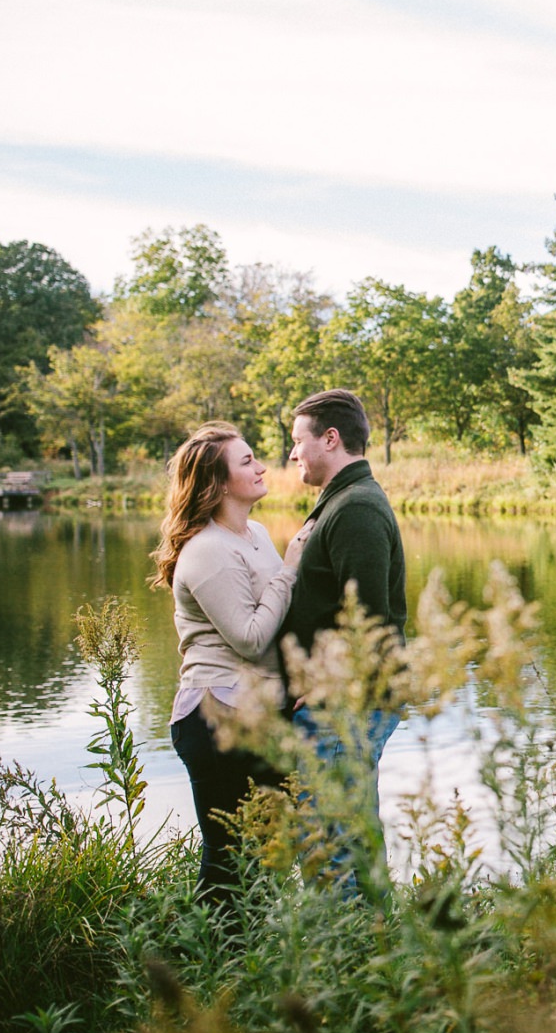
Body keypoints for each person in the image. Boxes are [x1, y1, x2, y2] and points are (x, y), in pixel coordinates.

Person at [149, 420, 312, 910]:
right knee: (228, 861)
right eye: (246, 461)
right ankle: (210, 969)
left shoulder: (255, 533)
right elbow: (249, 637)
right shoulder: (207, 551)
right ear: (218, 484)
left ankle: (249, 970)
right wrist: (290, 568)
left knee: (266, 858)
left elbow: (277, 624)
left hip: (258, 714)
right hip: (218, 719)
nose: (261, 466)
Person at [276, 388, 408, 891]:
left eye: (297, 441)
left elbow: (370, 618)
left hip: (346, 706)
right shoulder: (341, 501)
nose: (292, 454)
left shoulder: (355, 509)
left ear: (330, 440)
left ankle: (350, 961)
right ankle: (368, 954)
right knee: (343, 842)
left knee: (333, 851)